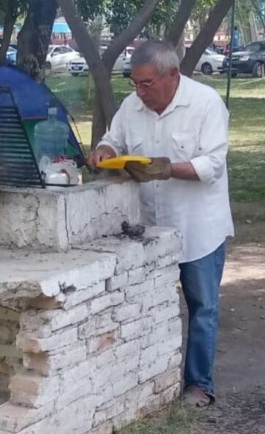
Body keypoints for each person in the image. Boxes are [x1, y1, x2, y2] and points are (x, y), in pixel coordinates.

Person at [88, 40, 234, 409]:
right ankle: (144, 382)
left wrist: (167, 168)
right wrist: (104, 151)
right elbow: (112, 138)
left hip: (198, 228)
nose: (140, 91)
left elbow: (212, 165)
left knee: (202, 308)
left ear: (172, 75)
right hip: (148, 228)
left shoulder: (205, 103)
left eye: (147, 84)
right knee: (143, 304)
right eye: (135, 83)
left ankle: (198, 384)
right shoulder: (131, 106)